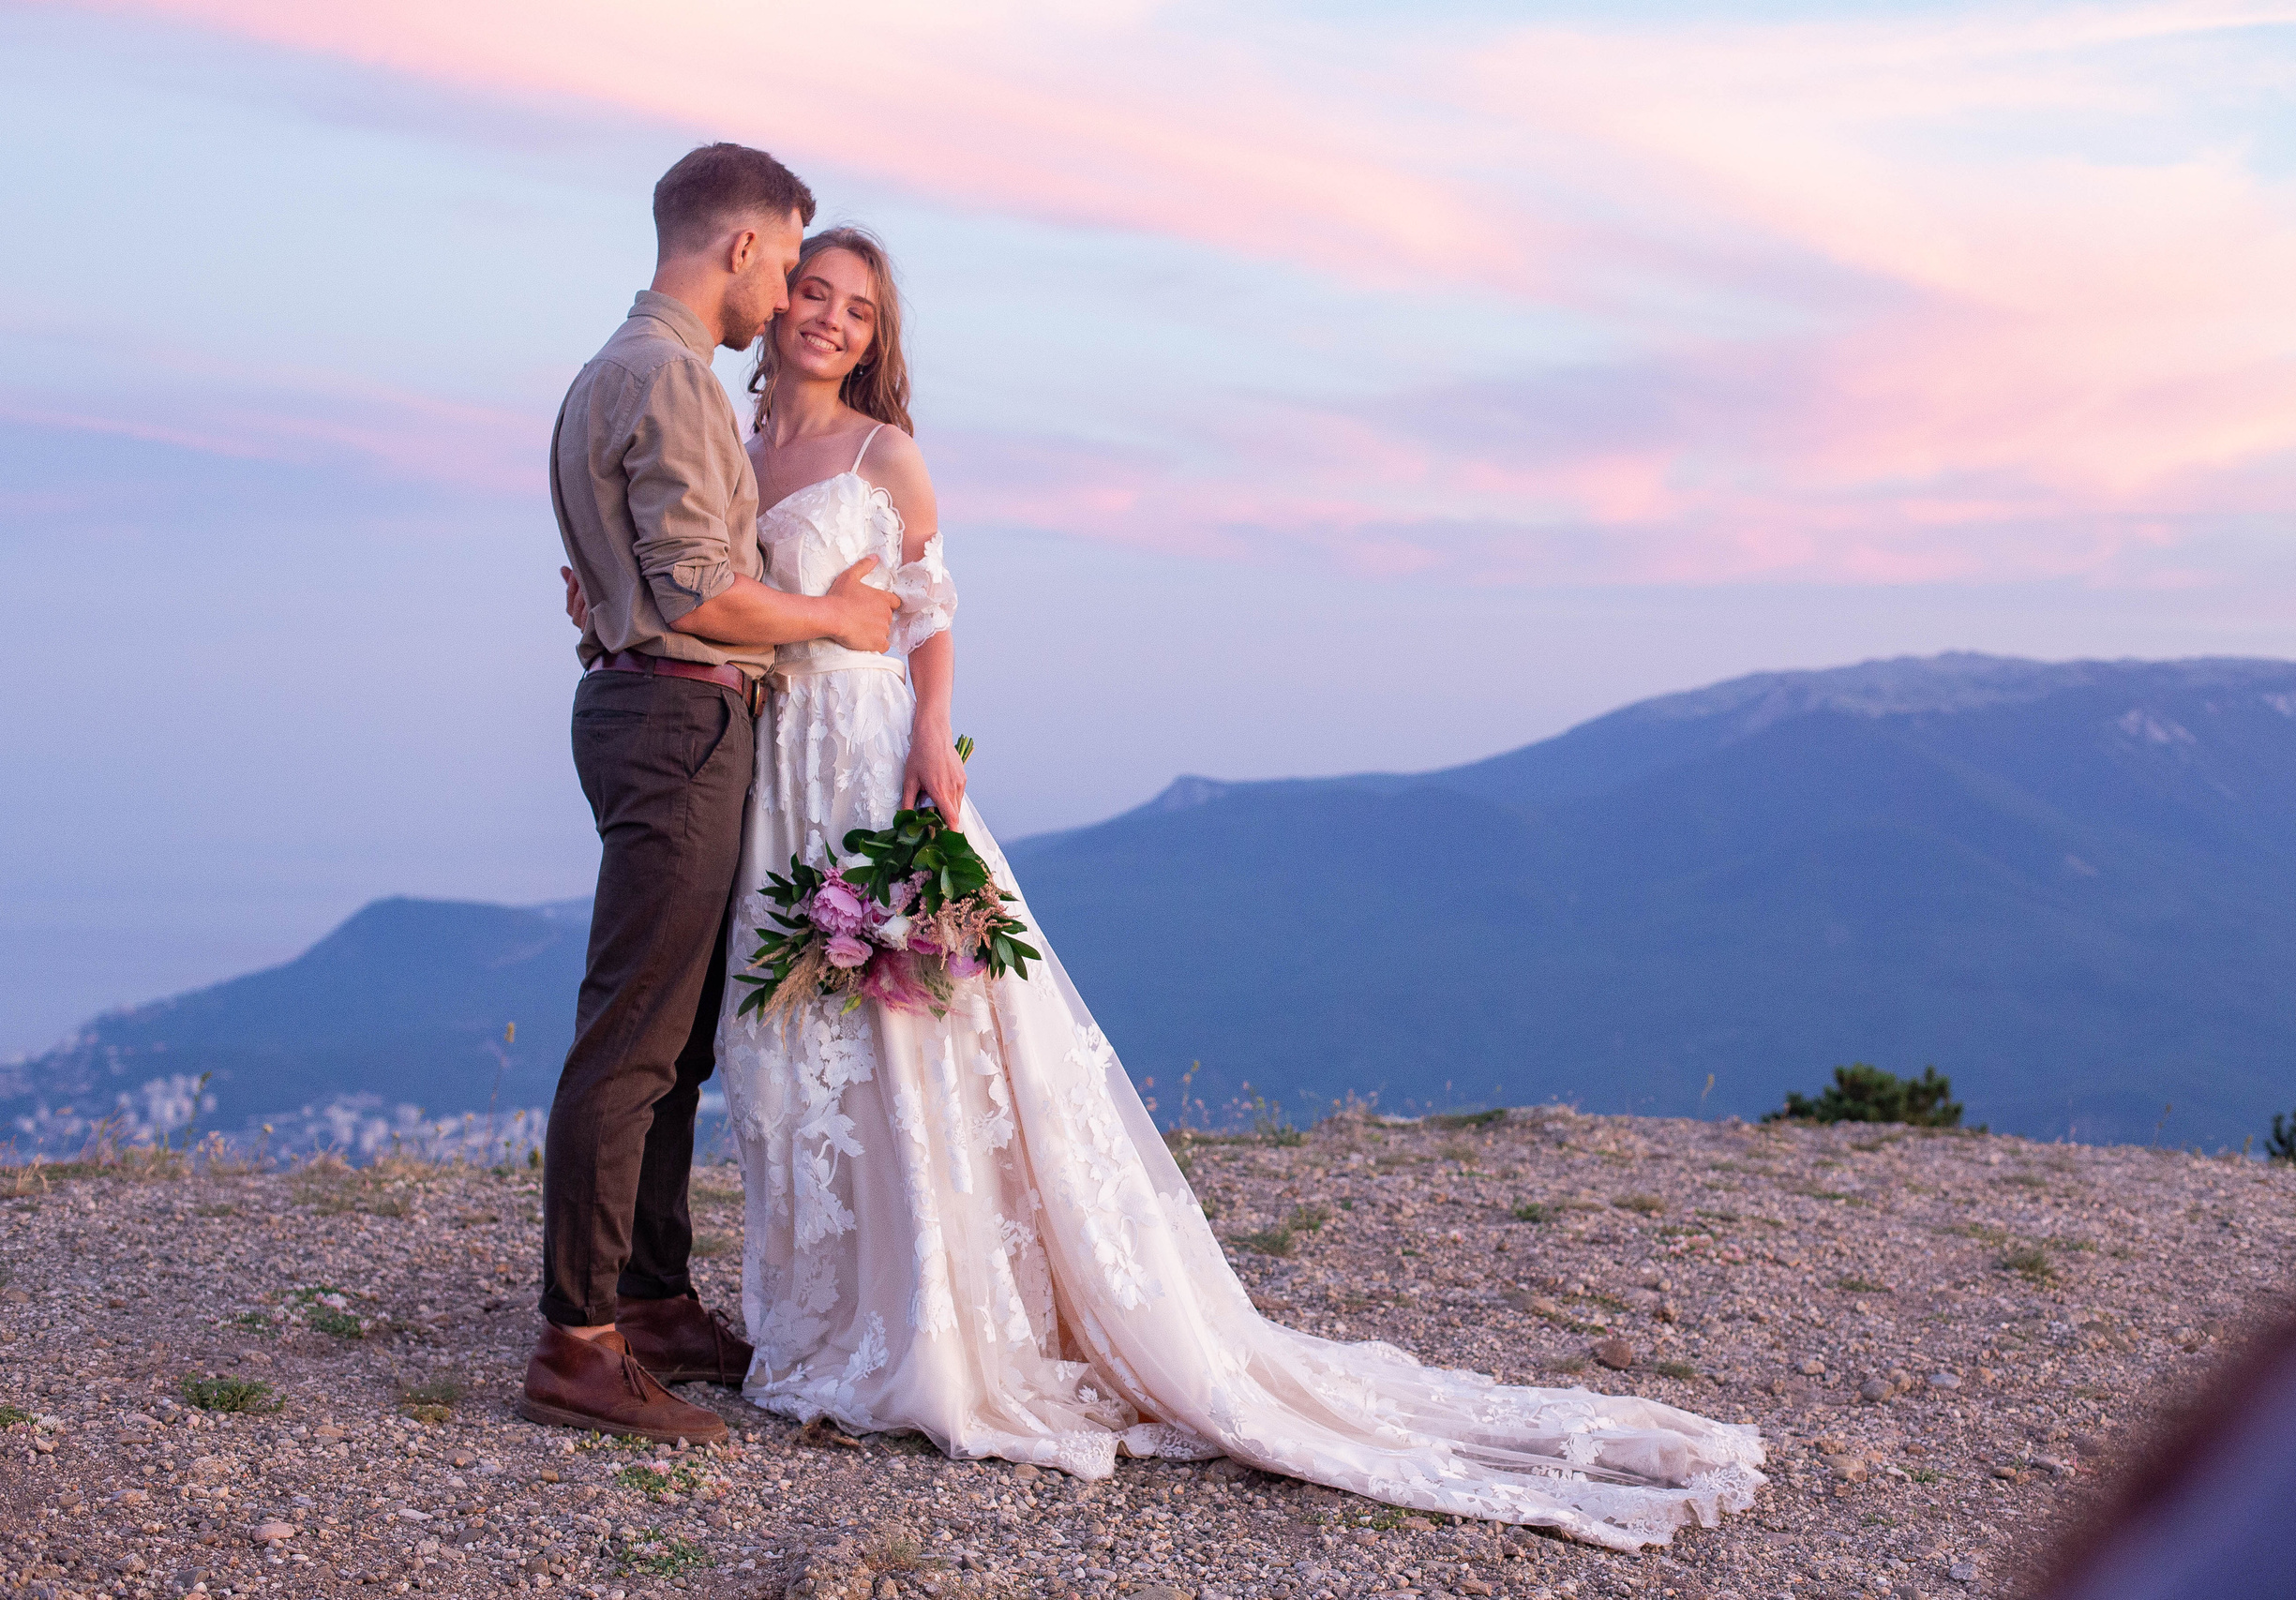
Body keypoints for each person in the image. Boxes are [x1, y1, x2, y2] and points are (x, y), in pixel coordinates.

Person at [711, 227, 1768, 1548]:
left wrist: (934, 735)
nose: (831, 319)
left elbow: (929, 611)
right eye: (814, 293)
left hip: (869, 750)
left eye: (860, 309)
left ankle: (941, 1319)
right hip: (779, 765)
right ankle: (830, 1316)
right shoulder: (738, 451)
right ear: (777, 301)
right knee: (801, 1037)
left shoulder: (885, 453)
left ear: (878, 337)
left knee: (918, 1020)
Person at [524, 144, 900, 1444]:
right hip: (676, 715)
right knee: (635, 1034)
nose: (789, 293)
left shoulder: (610, 368)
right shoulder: (676, 378)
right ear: (742, 248)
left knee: (676, 1035)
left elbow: (625, 572)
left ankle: (652, 1299)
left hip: (654, 710)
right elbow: (698, 591)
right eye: (788, 263)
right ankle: (579, 1343)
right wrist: (839, 619)